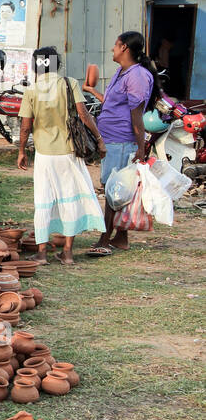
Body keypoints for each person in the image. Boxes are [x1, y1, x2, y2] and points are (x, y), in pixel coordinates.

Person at [16, 47, 106, 265]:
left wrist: (20, 151)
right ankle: (67, 252)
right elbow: (84, 115)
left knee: (43, 201)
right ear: (57, 64)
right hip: (69, 152)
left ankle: (42, 253)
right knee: (69, 199)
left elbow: (26, 126)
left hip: (44, 155)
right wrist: (99, 139)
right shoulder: (69, 84)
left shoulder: (32, 90)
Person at [90, 31, 155, 256]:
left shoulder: (137, 75)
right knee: (116, 188)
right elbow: (112, 103)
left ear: (125, 47)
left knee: (112, 190)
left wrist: (141, 147)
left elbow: (136, 115)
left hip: (122, 140)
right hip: (111, 138)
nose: (112, 49)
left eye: (116, 45)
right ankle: (120, 237)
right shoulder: (121, 72)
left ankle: (105, 238)